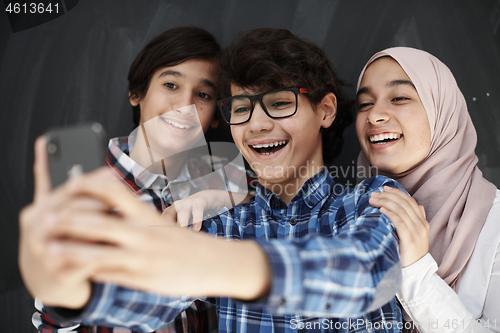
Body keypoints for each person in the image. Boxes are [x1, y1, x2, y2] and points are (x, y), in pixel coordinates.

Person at [20, 28, 404, 332]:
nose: (257, 124)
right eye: (241, 108)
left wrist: (220, 265)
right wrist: (70, 292)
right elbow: (149, 299)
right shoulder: (222, 222)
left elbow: (368, 273)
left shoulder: (371, 200)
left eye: (280, 102)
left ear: (325, 109)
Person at [25, 26, 251, 333]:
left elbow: (265, 188)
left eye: (202, 94)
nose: (184, 106)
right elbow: (54, 321)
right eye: (171, 85)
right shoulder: (87, 187)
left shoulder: (213, 178)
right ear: (137, 93)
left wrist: (219, 195)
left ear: (214, 115)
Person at [355, 47, 500, 332]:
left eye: (399, 98)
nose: (374, 116)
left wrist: (416, 269)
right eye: (364, 104)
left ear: (441, 110)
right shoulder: (348, 216)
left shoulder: (495, 225)